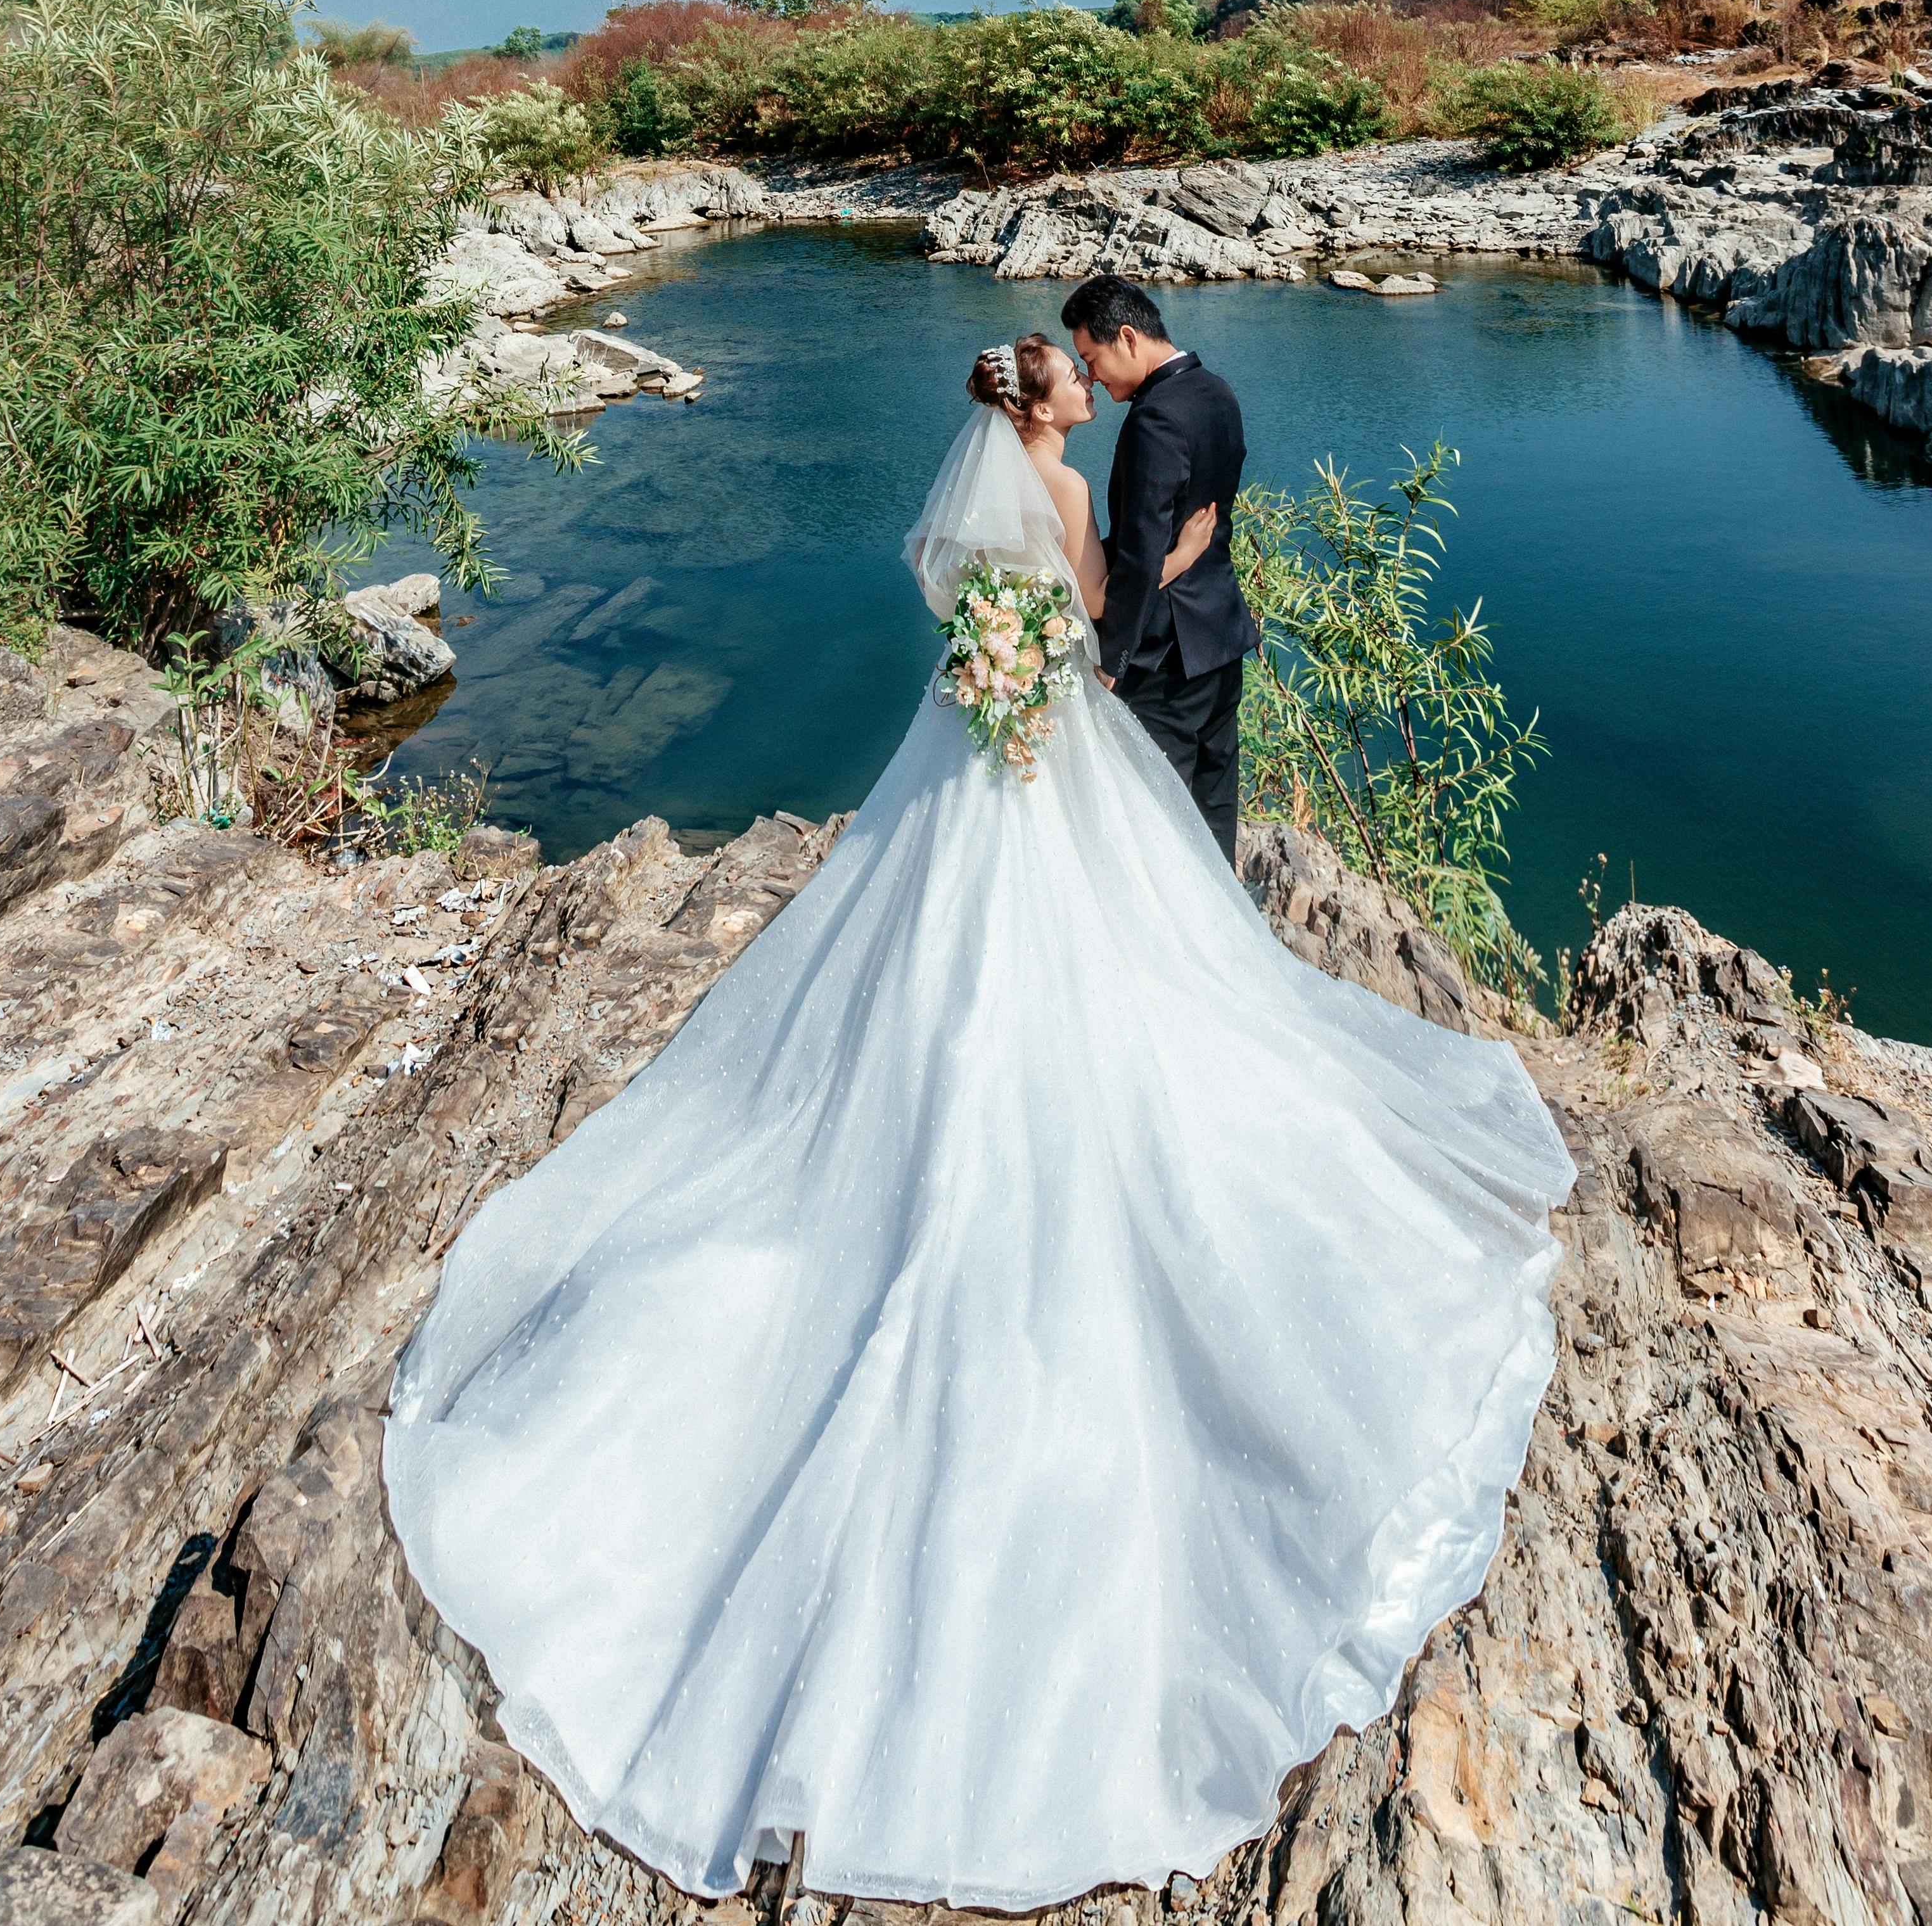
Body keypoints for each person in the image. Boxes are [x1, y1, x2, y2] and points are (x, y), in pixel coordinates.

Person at [385, 342, 1575, 1915]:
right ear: (1041, 411)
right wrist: (1165, 568)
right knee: (1136, 952)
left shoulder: (967, 505)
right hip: (1053, 739)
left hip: (968, 746)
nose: (1087, 386)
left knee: (921, 961)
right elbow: (1092, 610)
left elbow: (954, 597)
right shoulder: (1070, 486)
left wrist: (1003, 659)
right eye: (1068, 384)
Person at [1060, 272, 1257, 866]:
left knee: (1155, 810)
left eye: (1092, 359)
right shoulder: (1217, 391)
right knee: (1216, 799)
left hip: (1167, 653)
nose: (1091, 375)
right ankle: (1228, 929)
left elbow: (1145, 551)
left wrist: (1111, 657)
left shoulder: (1156, 419)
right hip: (1220, 631)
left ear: (1127, 337)